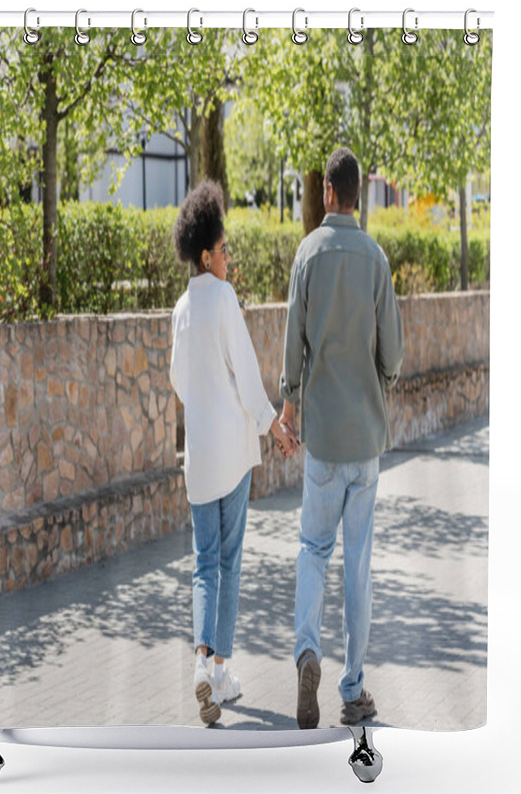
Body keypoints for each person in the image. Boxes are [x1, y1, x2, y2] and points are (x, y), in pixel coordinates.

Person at [279, 148, 404, 729]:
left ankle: (308, 653)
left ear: (329, 191)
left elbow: (292, 346)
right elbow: (394, 355)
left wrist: (290, 401)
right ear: (360, 194)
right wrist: (378, 382)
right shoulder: (376, 258)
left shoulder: (308, 254)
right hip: (367, 441)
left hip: (324, 438)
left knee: (313, 550)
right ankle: (353, 689)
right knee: (358, 565)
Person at [170, 180, 297, 726]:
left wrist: (205, 402)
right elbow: (247, 374)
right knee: (230, 561)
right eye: (224, 250)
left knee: (204, 564)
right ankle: (221, 668)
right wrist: (274, 427)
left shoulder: (181, 308)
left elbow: (179, 379)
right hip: (233, 455)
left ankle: (204, 669)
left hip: (199, 456)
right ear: (205, 254)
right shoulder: (222, 299)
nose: (228, 259)